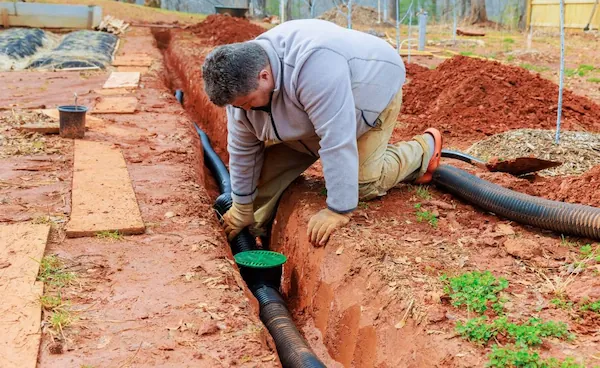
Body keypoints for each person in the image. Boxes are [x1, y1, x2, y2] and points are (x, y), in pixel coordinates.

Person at [202, 18, 442, 247]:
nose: (243, 110)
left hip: (367, 95)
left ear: (264, 76)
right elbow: (243, 148)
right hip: (310, 116)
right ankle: (257, 239)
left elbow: (336, 139)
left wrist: (338, 209)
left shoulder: (314, 65)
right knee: (258, 185)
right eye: (238, 106)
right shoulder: (243, 85)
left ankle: (423, 149)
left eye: (246, 103)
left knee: (362, 185)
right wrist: (243, 206)